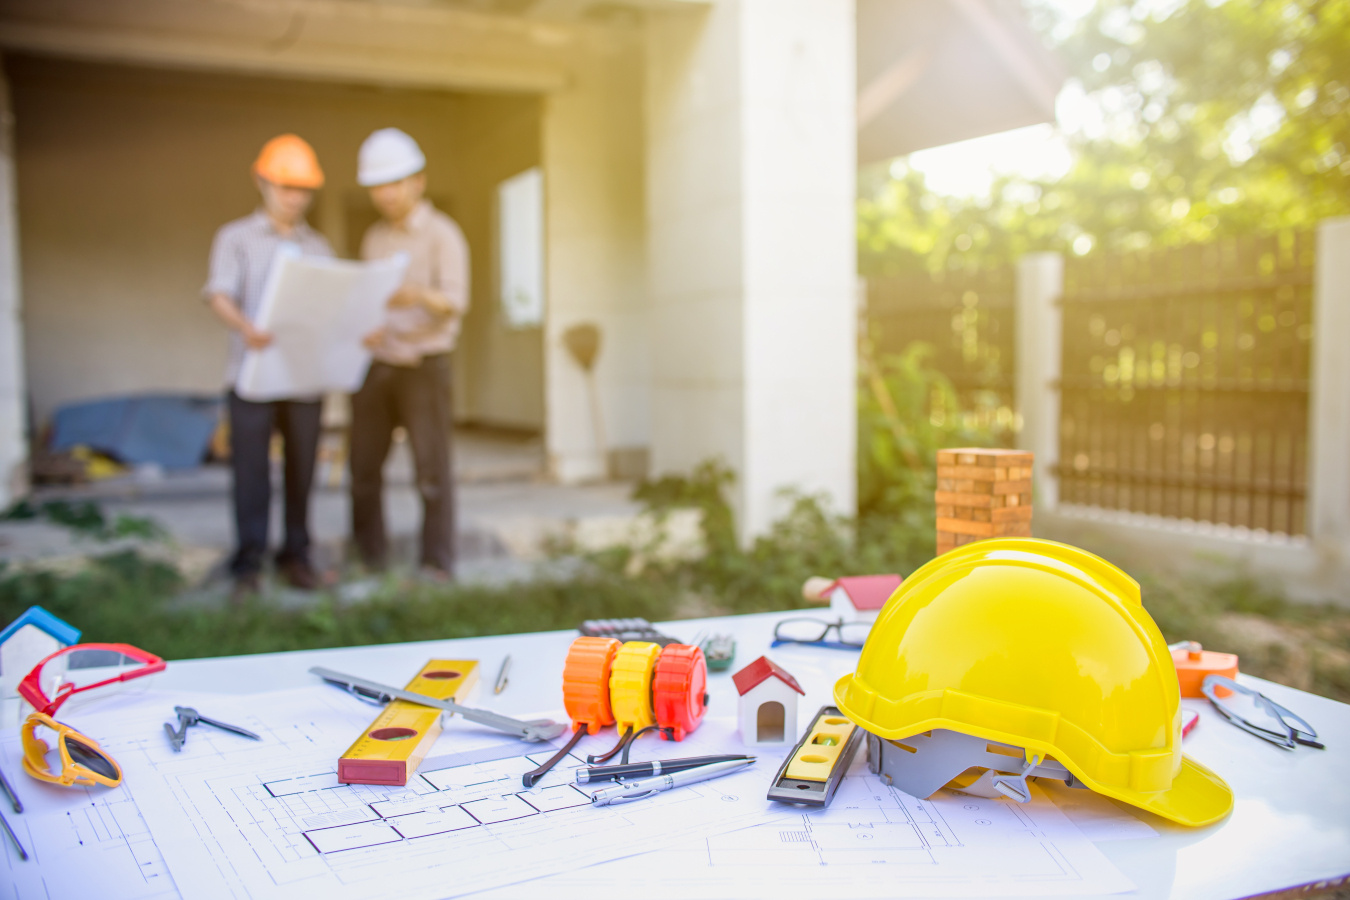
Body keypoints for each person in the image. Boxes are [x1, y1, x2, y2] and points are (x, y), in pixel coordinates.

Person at [204, 134, 333, 599]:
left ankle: (296, 555)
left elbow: (329, 307)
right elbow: (218, 294)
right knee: (251, 473)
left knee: (302, 469)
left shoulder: (319, 246)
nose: (294, 197)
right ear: (263, 182)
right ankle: (249, 562)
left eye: (302, 189)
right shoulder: (235, 239)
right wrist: (246, 326)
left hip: (302, 379)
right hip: (252, 376)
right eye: (286, 186)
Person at [350, 128, 469, 578]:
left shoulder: (443, 235)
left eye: (393, 183)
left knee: (431, 472)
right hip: (379, 363)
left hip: (425, 365)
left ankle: (436, 565)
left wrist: (416, 294)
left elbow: (456, 302)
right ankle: (369, 560)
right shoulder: (374, 238)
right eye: (377, 186)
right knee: (362, 468)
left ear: (417, 181)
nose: (386, 195)